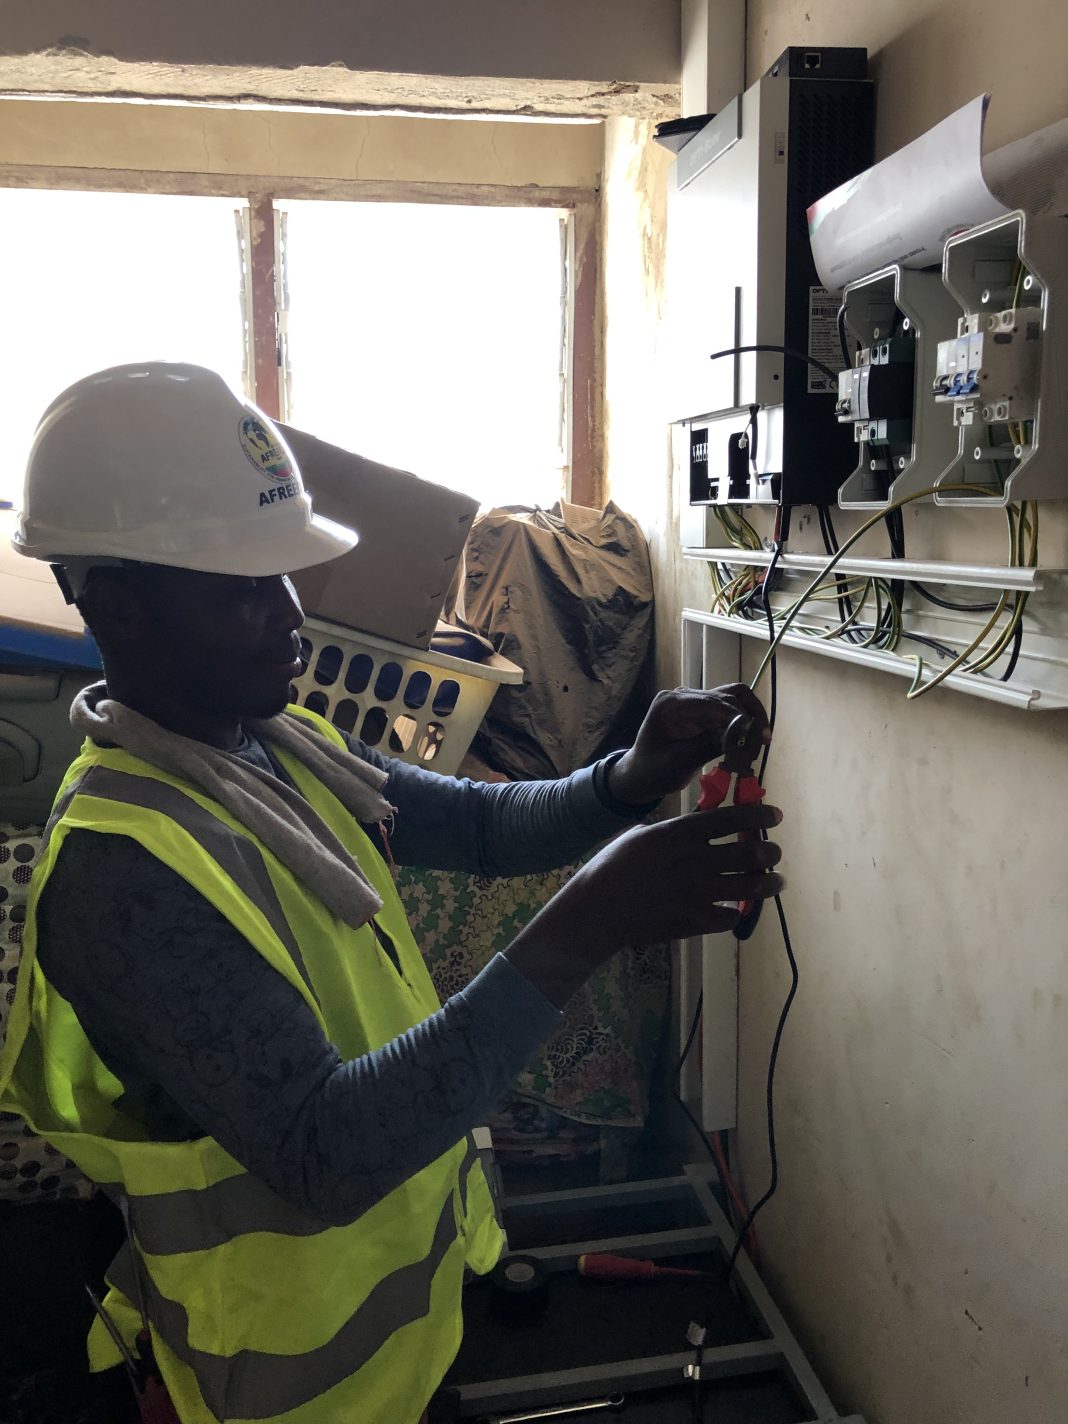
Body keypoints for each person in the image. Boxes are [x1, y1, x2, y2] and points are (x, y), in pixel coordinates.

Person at [0, 364, 784, 1424]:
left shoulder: (280, 739)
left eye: (284, 576)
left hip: (399, 1332)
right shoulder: (120, 877)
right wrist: (590, 922)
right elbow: (329, 1147)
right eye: (244, 590)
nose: (290, 615)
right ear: (117, 607)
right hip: (286, 1383)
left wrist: (629, 776)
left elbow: (479, 826)